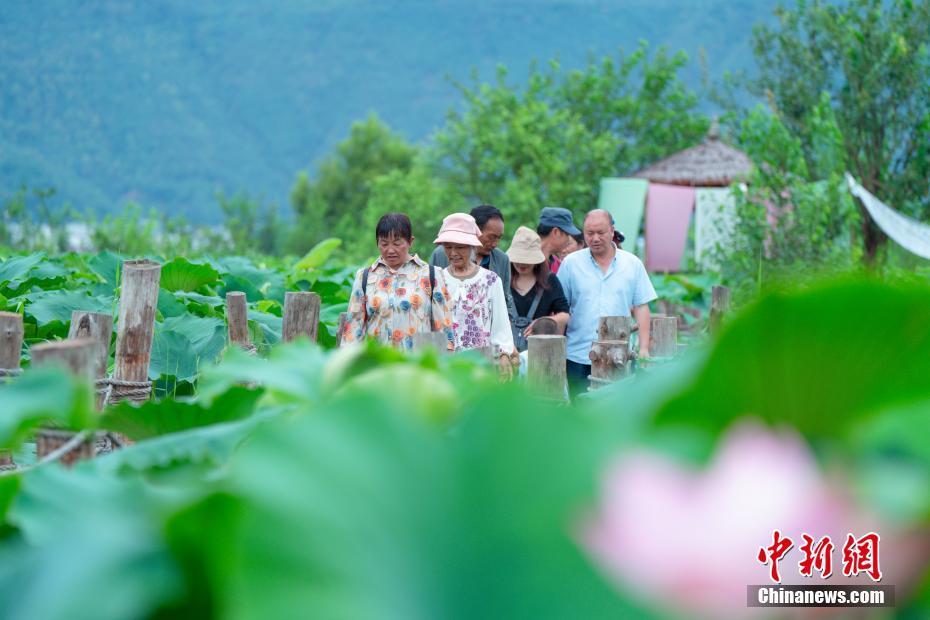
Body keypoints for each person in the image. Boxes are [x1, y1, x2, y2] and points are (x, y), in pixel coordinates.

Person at [557, 209, 657, 395]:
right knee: (580, 413)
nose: (595, 238)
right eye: (589, 233)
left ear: (612, 231)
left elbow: (642, 306)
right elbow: (560, 308)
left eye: (600, 232)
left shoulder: (632, 264)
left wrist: (643, 347)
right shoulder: (571, 264)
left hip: (619, 356)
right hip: (578, 355)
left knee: (616, 414)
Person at [343, 212, 454, 350]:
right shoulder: (364, 277)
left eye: (397, 243)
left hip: (418, 366)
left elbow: (444, 328)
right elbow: (353, 329)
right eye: (384, 244)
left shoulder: (431, 274)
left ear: (410, 241)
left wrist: (443, 364)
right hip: (378, 364)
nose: (390, 250)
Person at [434, 212, 517, 378]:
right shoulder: (436, 279)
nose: (453, 253)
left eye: (460, 247)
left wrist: (503, 354)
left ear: (472, 246)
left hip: (482, 366)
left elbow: (501, 327)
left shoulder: (491, 280)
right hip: (445, 366)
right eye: (448, 247)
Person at [430, 204, 516, 317]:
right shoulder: (440, 254)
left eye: (499, 238)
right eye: (492, 237)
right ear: (475, 231)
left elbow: (505, 300)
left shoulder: (502, 259)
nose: (495, 244)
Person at [506, 226, 570, 352]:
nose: (521, 264)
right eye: (518, 259)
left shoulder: (550, 280)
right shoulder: (503, 279)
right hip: (506, 351)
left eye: (527, 260)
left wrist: (545, 321)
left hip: (540, 351)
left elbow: (565, 315)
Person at [536, 206, 581, 275]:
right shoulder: (525, 260)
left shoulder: (558, 265)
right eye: (567, 234)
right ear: (556, 232)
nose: (568, 239)